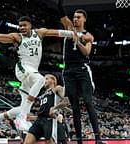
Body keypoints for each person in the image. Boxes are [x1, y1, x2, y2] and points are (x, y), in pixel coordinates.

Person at [0, 13, 89, 137]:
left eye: (24, 25)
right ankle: (22, 118)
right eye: (20, 26)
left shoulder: (39, 33)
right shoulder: (17, 37)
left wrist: (78, 35)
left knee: (23, 106)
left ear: (30, 26)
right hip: (23, 69)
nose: (22, 28)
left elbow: (59, 33)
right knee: (40, 80)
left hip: (32, 73)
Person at [58, 1, 104, 144]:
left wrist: (77, 41)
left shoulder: (88, 35)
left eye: (78, 17)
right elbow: (61, 12)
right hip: (68, 71)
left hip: (82, 69)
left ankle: (98, 138)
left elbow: (86, 52)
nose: (75, 19)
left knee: (88, 102)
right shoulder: (68, 28)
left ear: (84, 19)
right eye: (74, 17)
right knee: (74, 107)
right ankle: (79, 140)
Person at [23, 74, 70, 144]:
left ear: (53, 80)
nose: (44, 81)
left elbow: (67, 101)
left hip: (50, 120)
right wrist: (33, 117)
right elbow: (44, 112)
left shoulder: (57, 88)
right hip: (39, 121)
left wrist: (54, 108)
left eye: (46, 79)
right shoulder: (42, 95)